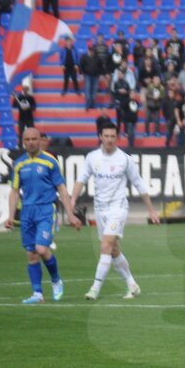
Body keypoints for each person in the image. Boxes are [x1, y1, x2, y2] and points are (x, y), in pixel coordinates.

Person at [72, 124, 159, 301]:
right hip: (100, 209)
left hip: (118, 208)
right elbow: (81, 180)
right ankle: (132, 285)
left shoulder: (124, 159)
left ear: (117, 138)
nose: (110, 139)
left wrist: (151, 210)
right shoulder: (92, 157)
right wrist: (72, 200)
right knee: (113, 249)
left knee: (106, 244)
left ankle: (95, 288)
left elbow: (139, 184)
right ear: (100, 137)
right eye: (106, 135)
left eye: (113, 136)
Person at [6, 128, 80, 304]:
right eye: (27, 139)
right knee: (31, 253)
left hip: (46, 210)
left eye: (34, 139)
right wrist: (10, 216)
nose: (31, 142)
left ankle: (56, 280)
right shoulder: (19, 164)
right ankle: (37, 294)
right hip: (27, 212)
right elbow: (14, 191)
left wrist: (70, 214)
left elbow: (61, 188)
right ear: (23, 142)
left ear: (40, 140)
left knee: (41, 249)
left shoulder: (50, 161)